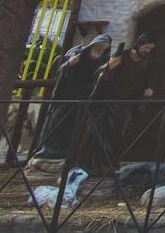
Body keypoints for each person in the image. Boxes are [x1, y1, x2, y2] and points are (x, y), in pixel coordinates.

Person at [36, 32, 110, 160]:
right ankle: (48, 149)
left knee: (74, 125)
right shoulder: (79, 54)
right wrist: (69, 64)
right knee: (56, 120)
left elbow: (100, 77)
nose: (102, 49)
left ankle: (66, 152)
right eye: (101, 45)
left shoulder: (103, 58)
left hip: (84, 96)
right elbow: (61, 69)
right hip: (69, 93)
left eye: (105, 47)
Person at [88, 33, 158, 168]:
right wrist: (109, 66)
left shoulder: (148, 61)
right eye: (146, 47)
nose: (147, 51)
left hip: (128, 103)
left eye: (150, 49)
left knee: (121, 133)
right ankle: (98, 164)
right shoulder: (123, 55)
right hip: (111, 100)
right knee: (103, 132)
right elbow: (101, 74)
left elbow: (151, 79)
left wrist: (149, 89)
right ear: (139, 44)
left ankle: (112, 163)